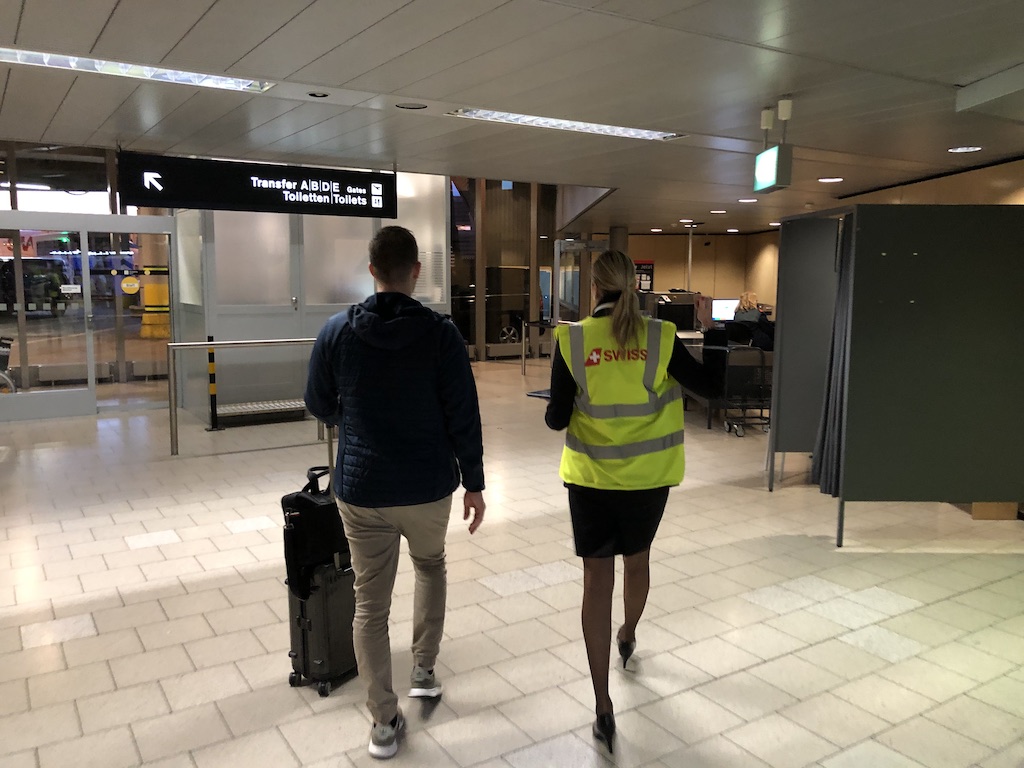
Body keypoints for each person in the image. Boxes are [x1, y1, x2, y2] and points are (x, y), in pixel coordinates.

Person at [305, 225, 486, 760]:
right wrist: (474, 483)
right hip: (427, 486)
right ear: (416, 272)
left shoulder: (337, 331)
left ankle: (383, 722)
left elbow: (317, 402)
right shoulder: (441, 335)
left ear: (372, 271)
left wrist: (351, 417)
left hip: (362, 490)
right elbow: (464, 414)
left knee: (370, 602)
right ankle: (424, 671)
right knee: (430, 566)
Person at [544, 250, 721, 754]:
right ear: (634, 286)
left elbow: (557, 419)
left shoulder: (573, 340)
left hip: (591, 483)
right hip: (647, 482)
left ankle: (602, 703)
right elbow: (711, 387)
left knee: (595, 581)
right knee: (637, 562)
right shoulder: (661, 337)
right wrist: (711, 339)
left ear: (594, 288)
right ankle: (628, 633)